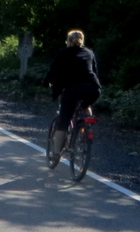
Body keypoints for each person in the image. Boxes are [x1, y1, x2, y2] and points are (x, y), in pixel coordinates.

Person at [43, 29, 101, 157]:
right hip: (93, 89)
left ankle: (56, 152)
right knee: (86, 105)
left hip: (73, 90)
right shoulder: (89, 53)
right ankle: (87, 126)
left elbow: (53, 70)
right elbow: (95, 72)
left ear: (68, 41)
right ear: (82, 40)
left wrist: (46, 83)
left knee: (64, 119)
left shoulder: (64, 53)